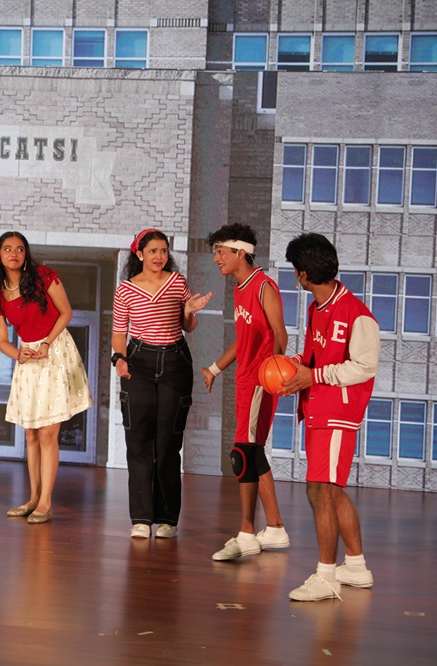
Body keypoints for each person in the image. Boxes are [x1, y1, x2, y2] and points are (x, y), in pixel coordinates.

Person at [281, 233, 379, 601]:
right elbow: (313, 358)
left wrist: (315, 375)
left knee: (319, 489)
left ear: (303, 274)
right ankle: (355, 566)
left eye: (295, 270)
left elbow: (365, 367)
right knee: (331, 490)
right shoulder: (316, 309)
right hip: (318, 407)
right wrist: (293, 367)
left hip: (338, 412)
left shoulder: (358, 314)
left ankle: (326, 576)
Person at [0, 231, 93, 524]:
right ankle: (33, 499)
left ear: (26, 254)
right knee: (30, 433)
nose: (14, 254)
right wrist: (18, 354)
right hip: (28, 359)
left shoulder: (42, 277)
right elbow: (3, 341)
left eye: (20, 249)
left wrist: (46, 343)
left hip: (55, 351)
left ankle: (46, 503)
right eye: (7, 249)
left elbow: (66, 313)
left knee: (47, 433)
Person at [112, 229, 211, 539]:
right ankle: (141, 519)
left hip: (174, 362)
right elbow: (119, 332)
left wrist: (189, 312)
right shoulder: (126, 290)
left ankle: (167, 518)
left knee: (168, 445)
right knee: (138, 441)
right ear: (139, 254)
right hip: (138, 362)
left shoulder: (177, 283)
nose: (159, 256)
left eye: (164, 250)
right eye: (153, 251)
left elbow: (188, 326)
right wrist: (119, 358)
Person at [201, 223, 290, 560]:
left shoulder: (263, 285)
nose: (216, 259)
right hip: (245, 379)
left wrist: (275, 374)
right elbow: (244, 339)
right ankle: (275, 528)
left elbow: (280, 334)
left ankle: (247, 533)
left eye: (220, 252)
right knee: (253, 453)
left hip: (260, 381)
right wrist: (215, 368)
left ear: (240, 252)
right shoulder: (240, 289)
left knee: (242, 453)